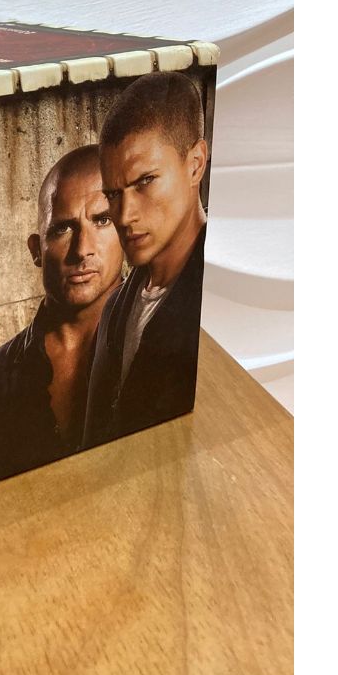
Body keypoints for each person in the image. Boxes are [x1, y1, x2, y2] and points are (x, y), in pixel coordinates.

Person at [0, 145, 124, 494]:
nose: (82, 250)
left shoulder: (159, 343)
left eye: (102, 220)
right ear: (36, 250)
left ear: (126, 229)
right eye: (63, 228)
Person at [82, 71, 209, 450]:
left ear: (195, 164)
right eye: (113, 194)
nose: (124, 216)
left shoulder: (217, 295)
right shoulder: (116, 309)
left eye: (144, 182)